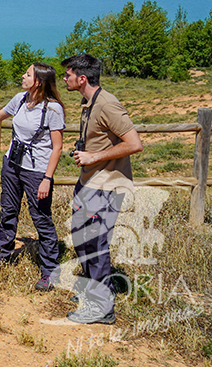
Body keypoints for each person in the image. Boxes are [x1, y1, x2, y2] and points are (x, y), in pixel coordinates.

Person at [0, 63, 65, 291]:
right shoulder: (20, 99)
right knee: (8, 211)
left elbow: (57, 148)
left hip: (37, 172)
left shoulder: (54, 110)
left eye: (27, 74)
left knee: (41, 218)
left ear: (38, 81)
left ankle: (50, 271)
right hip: (12, 165)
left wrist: (47, 178)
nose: (23, 76)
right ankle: (2, 257)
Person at [62, 53, 142, 325]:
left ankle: (102, 308)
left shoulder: (107, 104)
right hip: (89, 181)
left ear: (82, 78)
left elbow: (134, 143)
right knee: (81, 235)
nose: (64, 79)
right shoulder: (88, 102)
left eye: (68, 75)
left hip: (107, 184)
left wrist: (94, 157)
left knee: (95, 242)